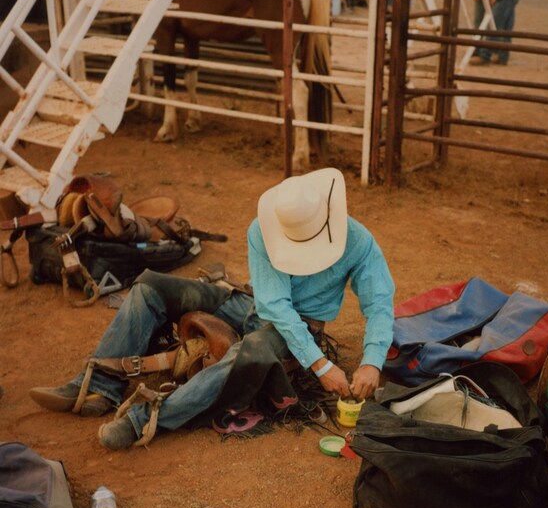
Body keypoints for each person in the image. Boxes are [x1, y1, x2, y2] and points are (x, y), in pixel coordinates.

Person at [30, 168, 396, 451]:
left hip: (301, 327)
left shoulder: (359, 242)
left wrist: (371, 360)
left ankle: (148, 418)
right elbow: (273, 304)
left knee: (248, 351)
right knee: (150, 284)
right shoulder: (264, 230)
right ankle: (98, 387)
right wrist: (321, 365)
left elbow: (379, 302)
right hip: (255, 304)